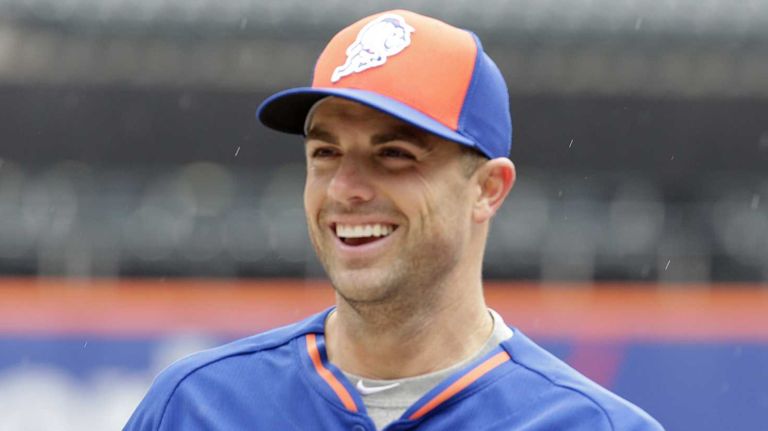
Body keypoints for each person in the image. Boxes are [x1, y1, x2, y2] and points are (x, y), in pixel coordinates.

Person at [125, 9, 664, 431]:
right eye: (326, 153)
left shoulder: (593, 425)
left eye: (394, 154)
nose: (345, 189)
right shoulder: (196, 406)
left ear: (487, 189)